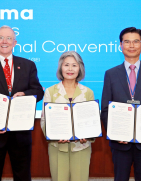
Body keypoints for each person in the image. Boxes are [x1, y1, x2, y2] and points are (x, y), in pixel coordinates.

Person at [0, 25, 44, 181]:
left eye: (9, 38)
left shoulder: (28, 65)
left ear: (15, 42)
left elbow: (38, 91)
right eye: (1, 37)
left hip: (20, 134)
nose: (4, 41)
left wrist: (25, 94)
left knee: (23, 176)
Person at [100, 27, 141, 181]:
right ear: (120, 45)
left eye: (136, 41)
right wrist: (114, 134)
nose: (131, 45)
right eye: (127, 41)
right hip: (120, 142)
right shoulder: (110, 74)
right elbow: (105, 109)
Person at [40, 51, 94, 181]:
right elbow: (44, 120)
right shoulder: (50, 91)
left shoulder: (87, 92)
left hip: (82, 147)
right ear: (60, 67)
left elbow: (92, 121)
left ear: (80, 68)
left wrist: (88, 135)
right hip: (57, 147)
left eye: (74, 65)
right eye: (66, 65)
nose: (70, 69)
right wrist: (54, 135)